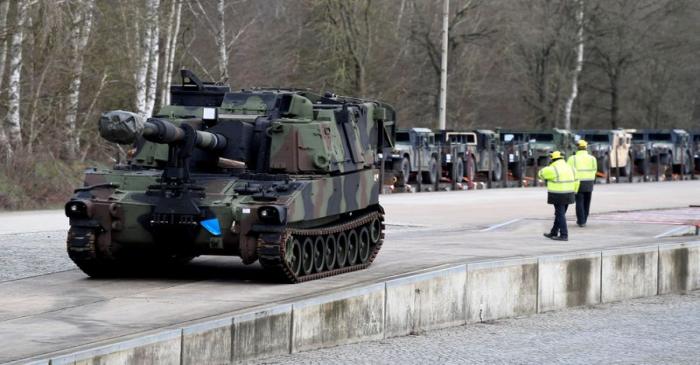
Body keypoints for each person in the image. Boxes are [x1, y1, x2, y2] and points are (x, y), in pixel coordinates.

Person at [538, 151, 579, 241]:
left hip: (558, 195)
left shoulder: (553, 169)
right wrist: (574, 191)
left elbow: (540, 174)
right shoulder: (571, 168)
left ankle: (564, 235)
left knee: (560, 215)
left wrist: (548, 166)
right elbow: (577, 181)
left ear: (552, 159)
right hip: (569, 194)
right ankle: (554, 232)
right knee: (560, 214)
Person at [567, 140, 597, 227]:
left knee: (579, 202)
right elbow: (594, 170)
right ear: (586, 148)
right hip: (589, 182)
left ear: (577, 148)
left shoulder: (572, 158)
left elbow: (569, 171)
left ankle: (581, 221)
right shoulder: (592, 158)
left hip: (578, 182)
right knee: (587, 202)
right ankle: (585, 219)